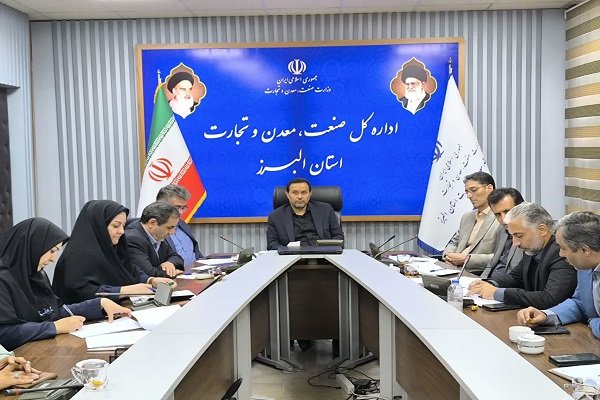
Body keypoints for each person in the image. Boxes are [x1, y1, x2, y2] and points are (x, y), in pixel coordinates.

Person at [0, 218, 131, 350]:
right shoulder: (3, 279)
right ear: (32, 246)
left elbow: (53, 312)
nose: (53, 259)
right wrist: (54, 327)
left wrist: (99, 304)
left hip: (42, 350)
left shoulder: (36, 274)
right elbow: (4, 334)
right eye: (52, 251)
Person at [52, 200, 175, 303]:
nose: (121, 231)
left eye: (123, 225)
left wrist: (151, 280)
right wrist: (122, 291)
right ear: (99, 226)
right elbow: (80, 292)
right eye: (116, 226)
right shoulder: (77, 256)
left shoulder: (113, 246)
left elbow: (129, 269)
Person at [468, 203, 577, 309]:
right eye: (512, 236)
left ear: (542, 230)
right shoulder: (533, 246)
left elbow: (550, 299)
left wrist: (497, 293)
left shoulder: (561, 252)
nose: (515, 243)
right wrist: (489, 284)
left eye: (519, 236)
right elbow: (515, 278)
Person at [517, 211, 600, 339]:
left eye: (563, 248)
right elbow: (580, 303)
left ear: (584, 250)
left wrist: (593, 321)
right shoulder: (584, 267)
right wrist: (546, 315)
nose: (560, 254)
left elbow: (593, 318)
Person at [443, 172, 499, 274]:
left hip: (479, 273)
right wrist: (449, 255)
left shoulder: (500, 218)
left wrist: (466, 259)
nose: (468, 196)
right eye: (467, 192)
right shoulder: (467, 217)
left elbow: (502, 256)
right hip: (453, 269)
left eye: (473, 190)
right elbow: (453, 242)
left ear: (489, 188)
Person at [266, 178, 344, 250]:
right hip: (291, 257)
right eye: (295, 193)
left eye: (304, 192)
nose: (300, 197)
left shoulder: (326, 210)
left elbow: (338, 237)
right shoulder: (275, 216)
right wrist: (288, 250)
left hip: (323, 255)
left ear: (310, 194)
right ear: (287, 194)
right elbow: (272, 244)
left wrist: (327, 249)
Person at [125, 201, 184, 277]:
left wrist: (170, 263)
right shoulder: (133, 239)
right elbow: (149, 273)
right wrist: (173, 272)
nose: (172, 233)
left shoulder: (158, 234)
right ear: (152, 223)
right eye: (169, 228)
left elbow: (177, 257)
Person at [479, 188, 525, 279]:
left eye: (507, 212)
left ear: (522, 208)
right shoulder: (501, 230)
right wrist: (481, 280)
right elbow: (492, 263)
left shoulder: (530, 234)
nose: (503, 219)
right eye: (498, 214)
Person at [156, 185, 204, 267]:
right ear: (161, 206)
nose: (181, 212)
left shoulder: (182, 224)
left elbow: (195, 252)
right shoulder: (156, 229)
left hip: (197, 271)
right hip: (175, 273)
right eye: (177, 207)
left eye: (183, 207)